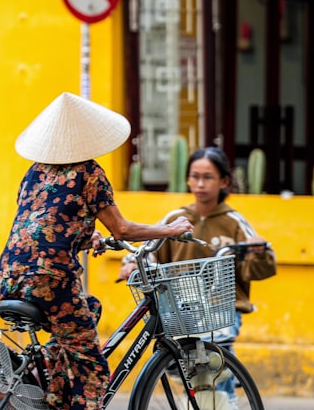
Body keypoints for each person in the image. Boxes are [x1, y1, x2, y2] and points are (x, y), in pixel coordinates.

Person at [0, 92, 192, 410]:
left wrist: (91, 240)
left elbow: (47, 223)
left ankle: (48, 390)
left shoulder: (35, 172)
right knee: (94, 372)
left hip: (12, 274)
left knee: (89, 314)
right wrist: (168, 231)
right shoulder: (90, 173)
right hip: (52, 279)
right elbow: (123, 229)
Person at [118, 146, 276, 357]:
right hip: (183, 310)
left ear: (224, 182)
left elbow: (261, 266)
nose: (200, 184)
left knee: (216, 361)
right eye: (195, 177)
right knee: (177, 364)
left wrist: (258, 252)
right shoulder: (176, 219)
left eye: (208, 177)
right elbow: (149, 248)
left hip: (223, 310)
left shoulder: (234, 222)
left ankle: (226, 388)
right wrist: (130, 263)